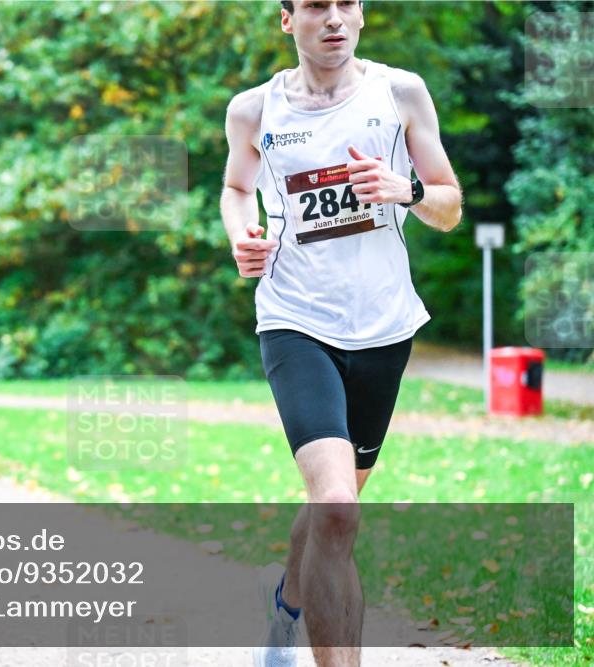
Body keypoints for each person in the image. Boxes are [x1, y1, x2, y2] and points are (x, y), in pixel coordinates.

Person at [219, 2, 462, 666]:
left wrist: (404, 190)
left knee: (337, 505)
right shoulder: (253, 110)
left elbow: (448, 201)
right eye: (317, 6)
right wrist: (242, 233)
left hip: (384, 326)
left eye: (346, 4)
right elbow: (236, 187)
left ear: (360, 15)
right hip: (296, 319)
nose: (334, 18)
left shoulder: (400, 92)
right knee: (336, 506)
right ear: (286, 19)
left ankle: (288, 606)